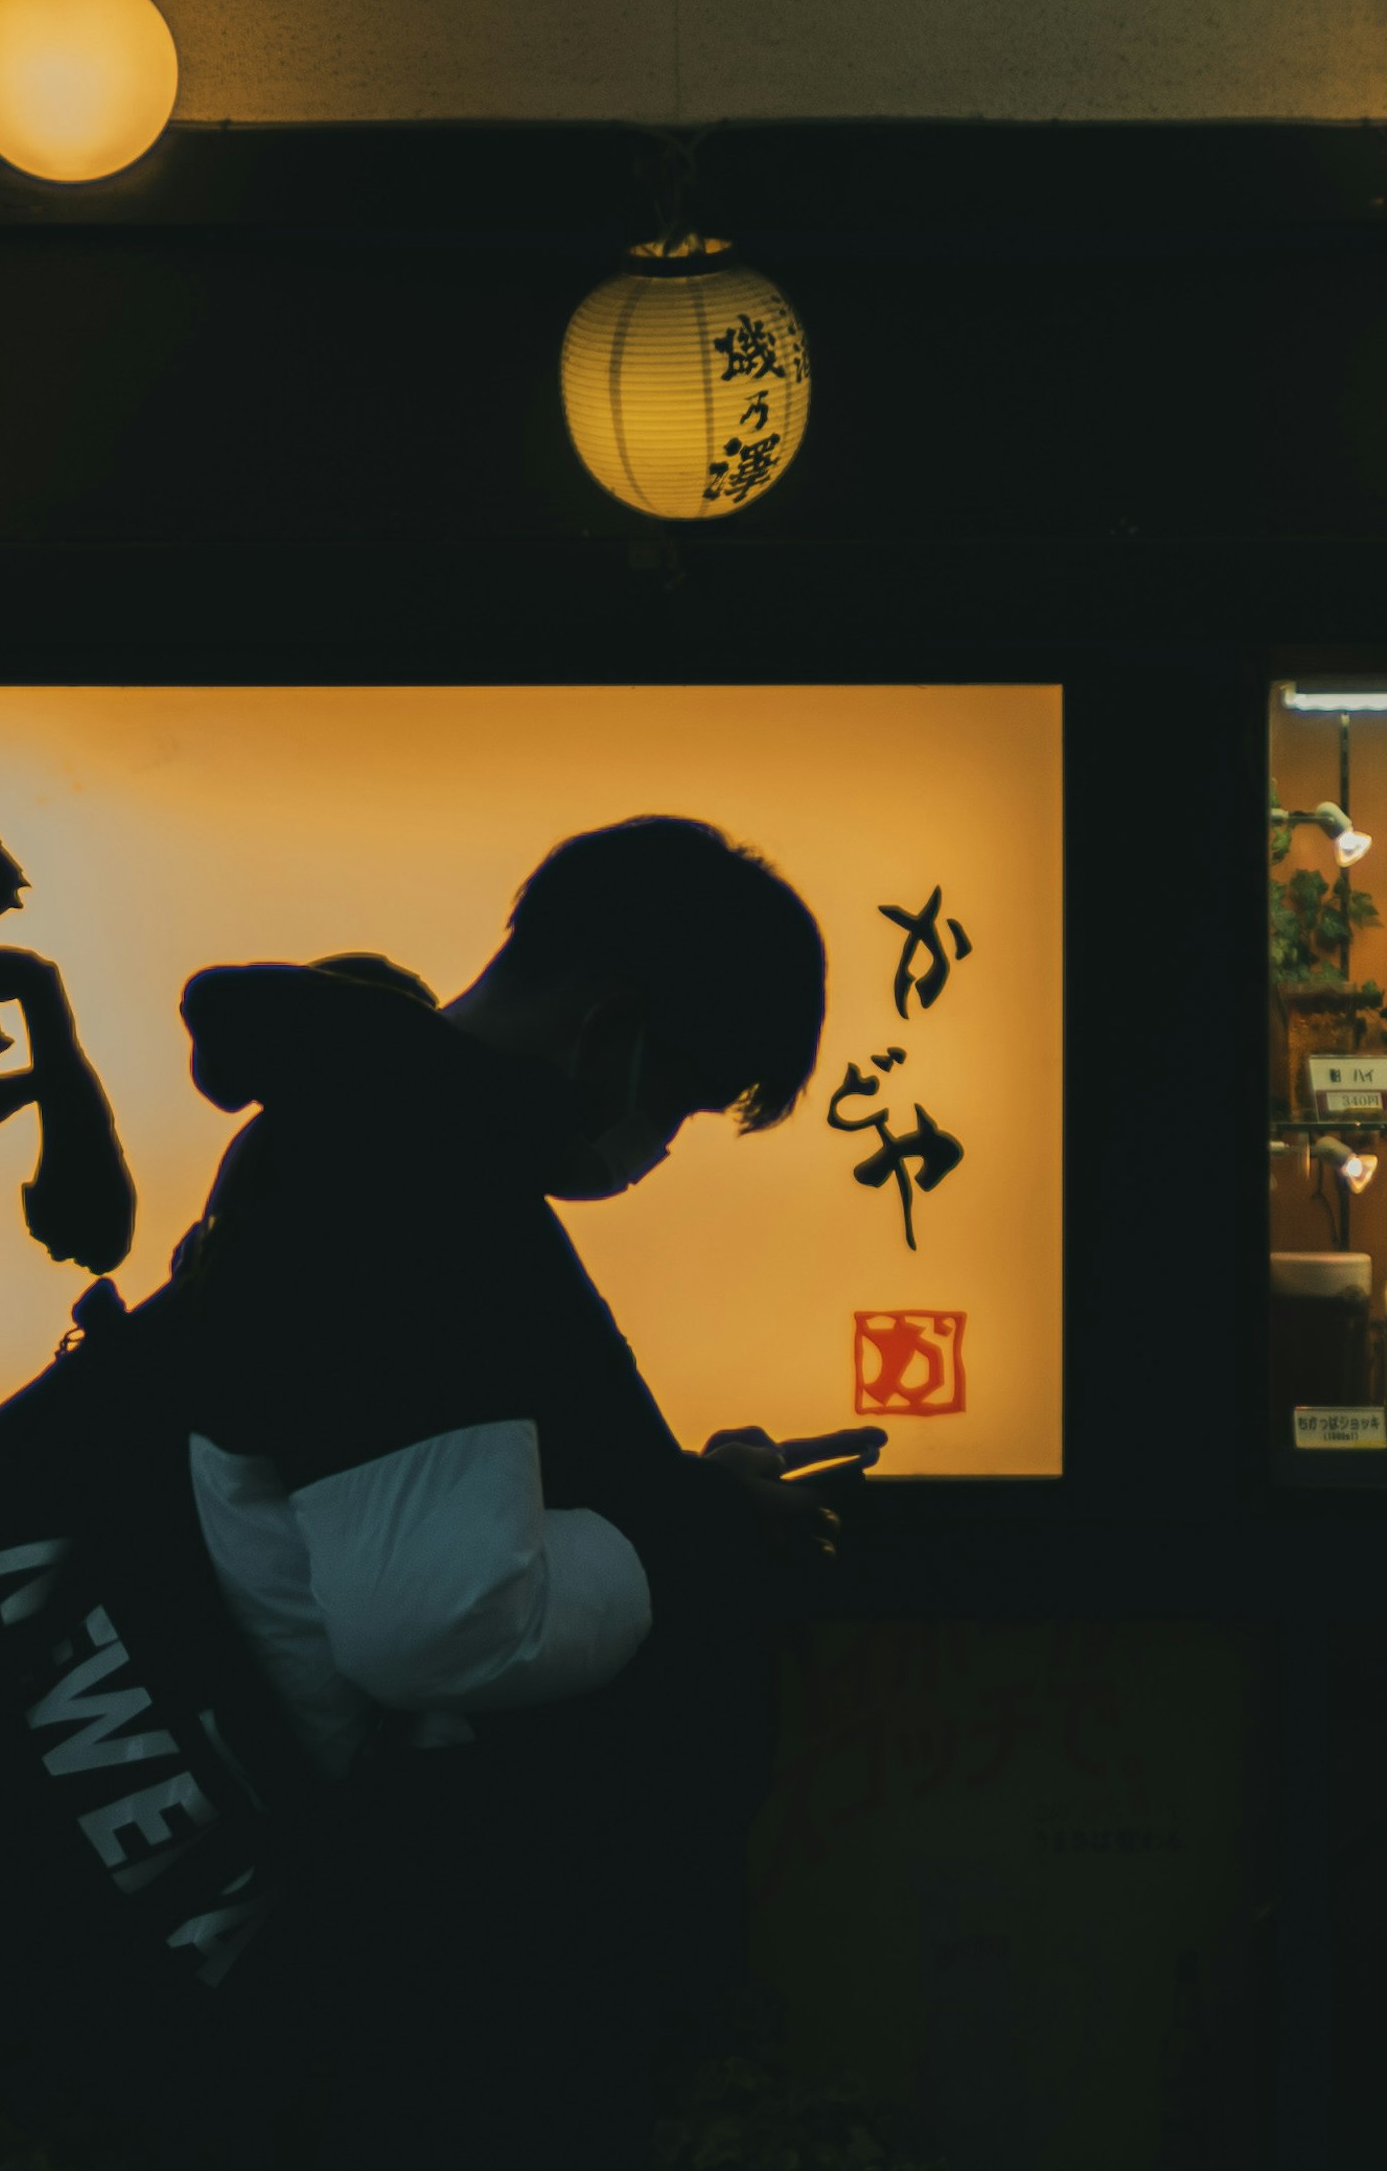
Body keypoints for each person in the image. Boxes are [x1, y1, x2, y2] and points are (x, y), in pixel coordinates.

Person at [146, 815, 877, 2165]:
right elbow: (444, 1621)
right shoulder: (406, 1178)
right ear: (609, 1030)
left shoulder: (380, 1137)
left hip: (414, 1929)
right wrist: (711, 1527)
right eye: (682, 1099)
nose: (661, 1147)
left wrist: (677, 1492)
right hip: (427, 1965)